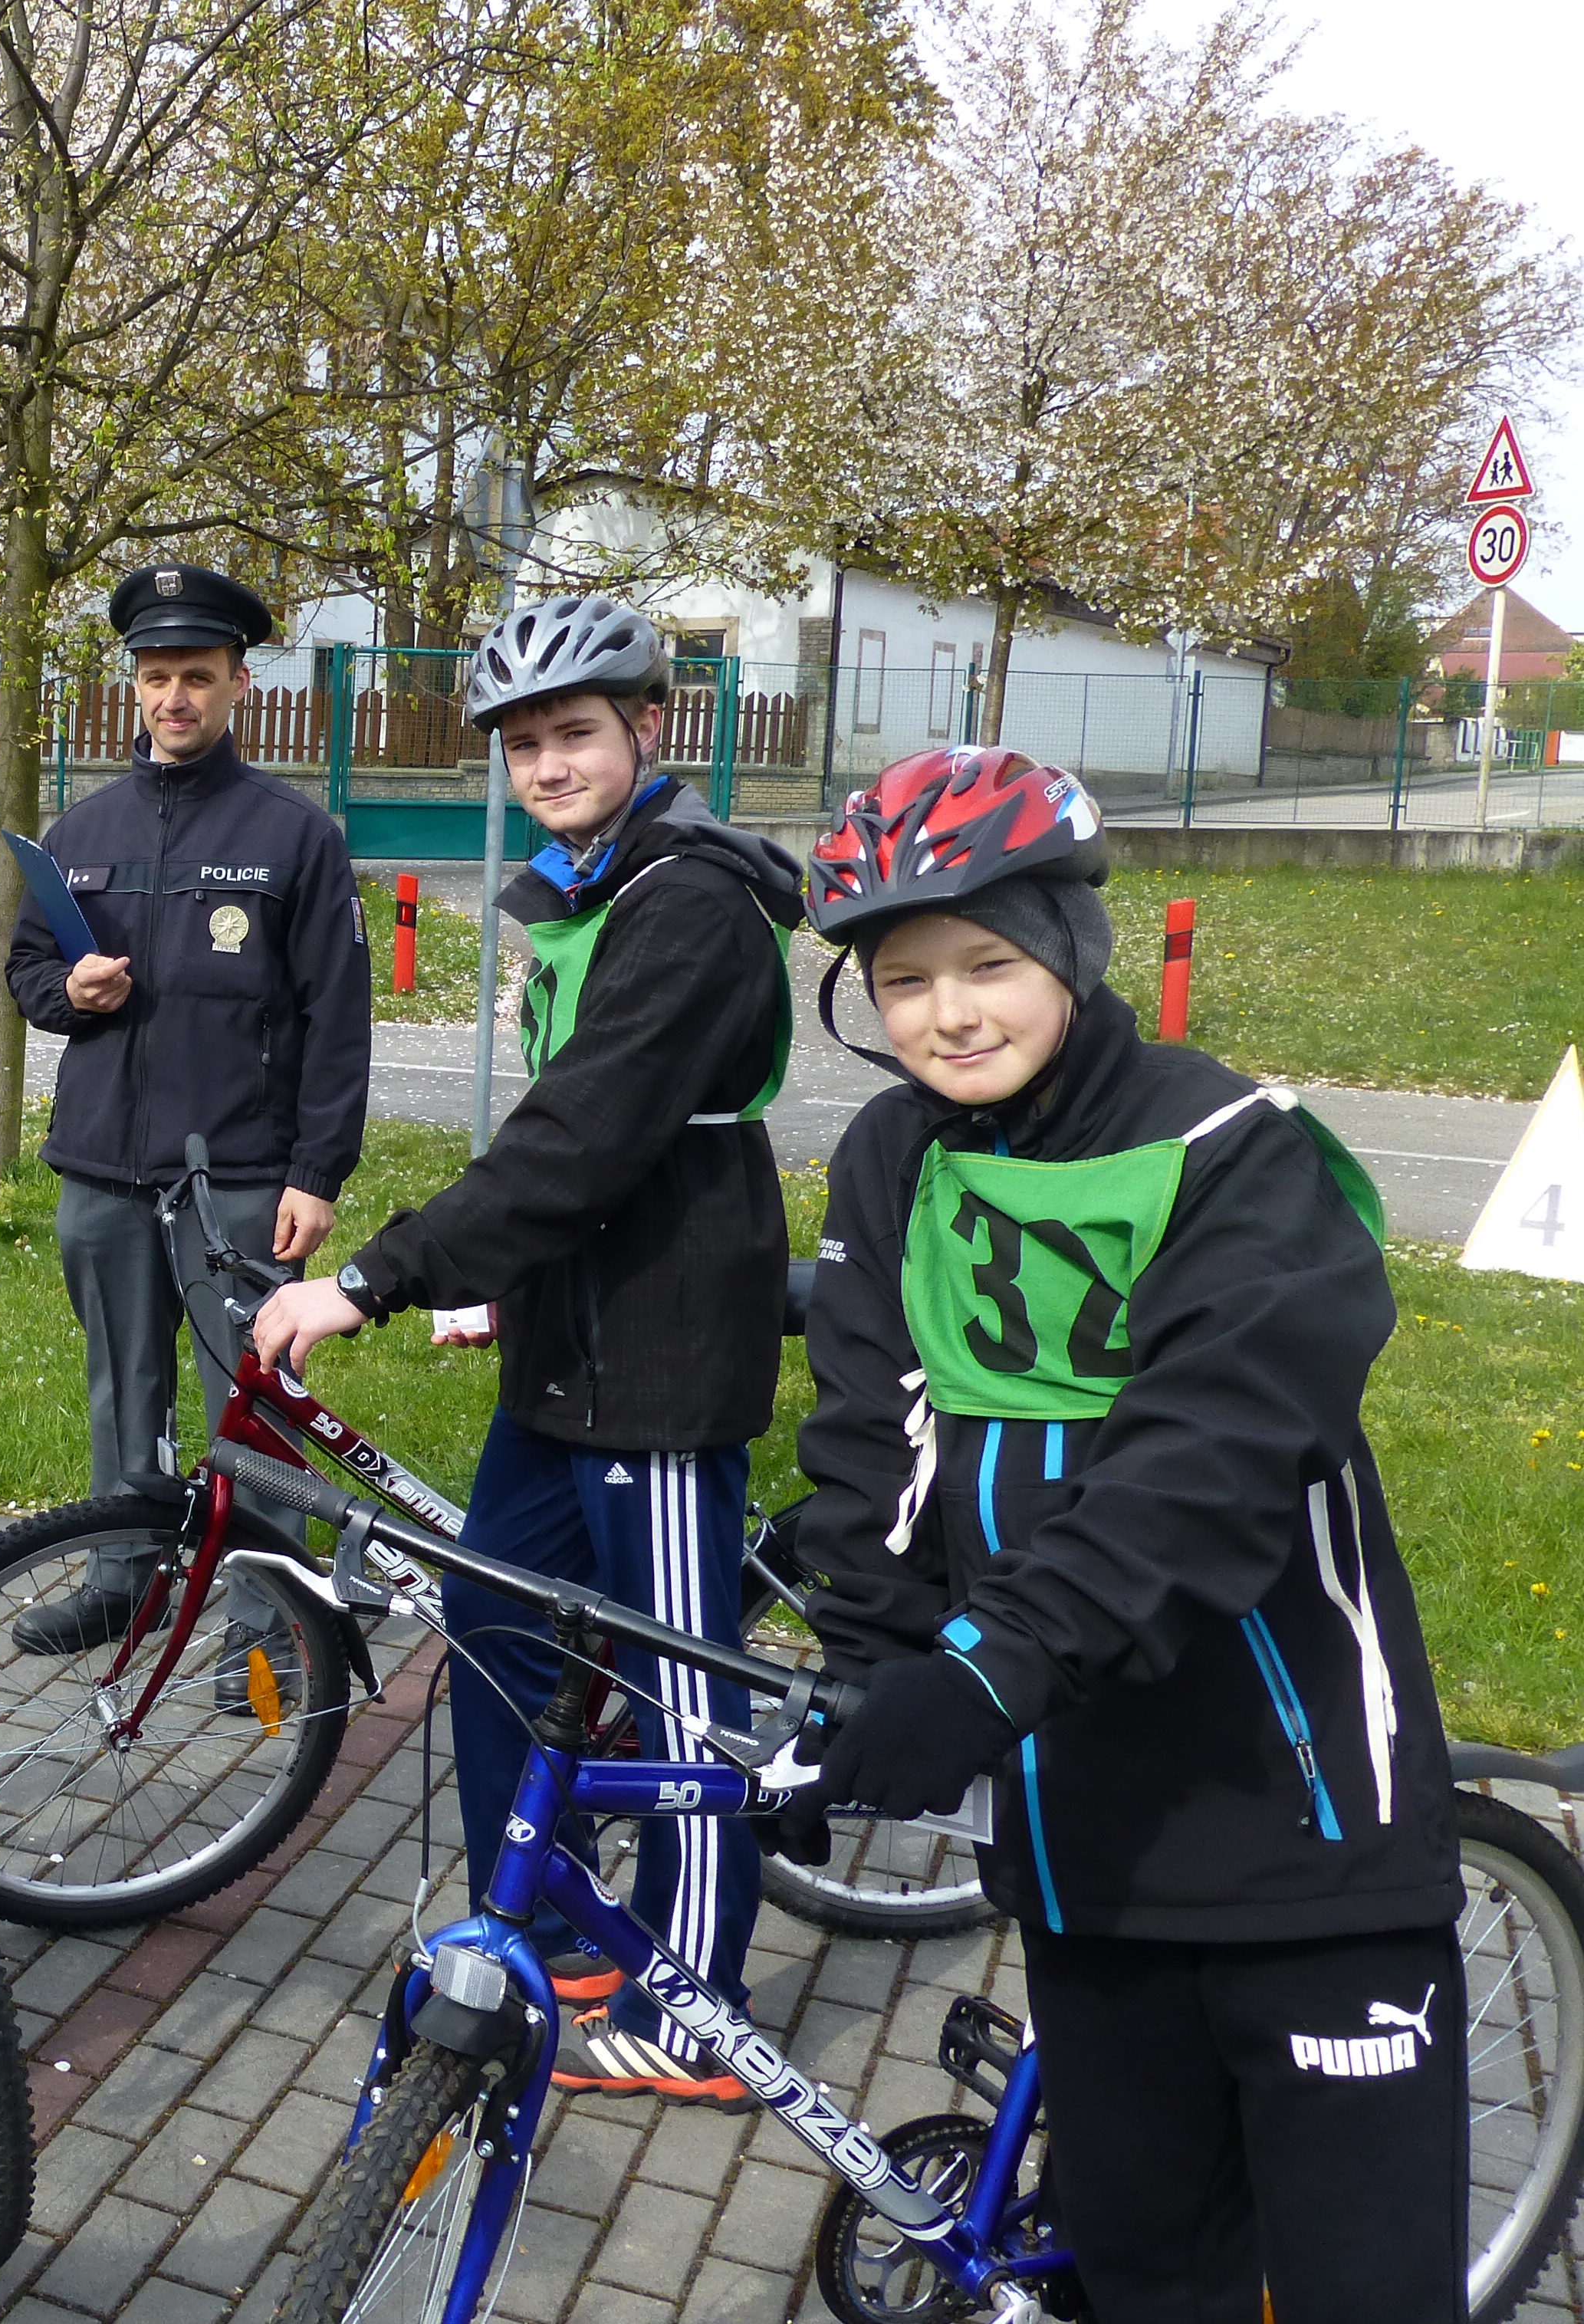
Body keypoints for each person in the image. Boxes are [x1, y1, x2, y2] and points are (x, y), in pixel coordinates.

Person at [783, 745, 1461, 2323]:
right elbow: (875, 1439)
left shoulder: (1234, 1150)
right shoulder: (895, 1158)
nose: (948, 1016)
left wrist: (982, 1670)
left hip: (1306, 1836)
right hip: (1084, 1852)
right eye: (901, 982)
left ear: (1077, 953)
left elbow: (1201, 1463)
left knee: (1370, 2292)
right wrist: (865, 1674)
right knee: (1148, 2281)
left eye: (989, 965)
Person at [252, 593, 802, 2102]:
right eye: (523, 744)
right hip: (568, 1349)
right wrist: (487, 1270)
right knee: (494, 1638)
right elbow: (551, 1148)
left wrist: (375, 1276)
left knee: (689, 1696)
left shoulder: (689, 904)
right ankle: (556, 1917)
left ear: (652, 729)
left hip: (665, 1361)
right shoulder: (595, 886)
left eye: (573, 733)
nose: (547, 764)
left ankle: (702, 2011)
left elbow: (581, 1137)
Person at [2, 560, 370, 1662]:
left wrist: (317, 1172)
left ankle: (266, 1623)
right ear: (135, 685)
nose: (176, 699)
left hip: (242, 1176)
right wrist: (67, 994)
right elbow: (27, 971)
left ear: (238, 683)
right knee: (123, 1387)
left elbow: (335, 1018)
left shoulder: (296, 836)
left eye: (197, 677)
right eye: (157, 677)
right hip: (102, 1168)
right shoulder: (78, 832)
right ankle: (125, 1579)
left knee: (252, 1403)